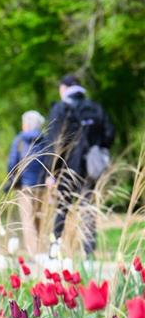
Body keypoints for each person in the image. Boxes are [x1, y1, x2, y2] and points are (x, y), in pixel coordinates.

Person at [46, 74, 115, 253]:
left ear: (64, 88)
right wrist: (98, 149)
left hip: (67, 167)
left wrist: (50, 172)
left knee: (62, 207)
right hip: (91, 169)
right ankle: (88, 252)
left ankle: (55, 250)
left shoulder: (60, 109)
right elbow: (110, 132)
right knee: (88, 207)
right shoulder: (95, 108)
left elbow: (54, 143)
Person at [7, 110, 51, 255]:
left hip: (25, 186)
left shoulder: (19, 140)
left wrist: (12, 180)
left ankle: (33, 253)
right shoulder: (45, 140)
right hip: (43, 186)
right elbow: (50, 161)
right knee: (41, 219)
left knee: (27, 220)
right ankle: (43, 251)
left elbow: (12, 163)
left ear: (25, 125)